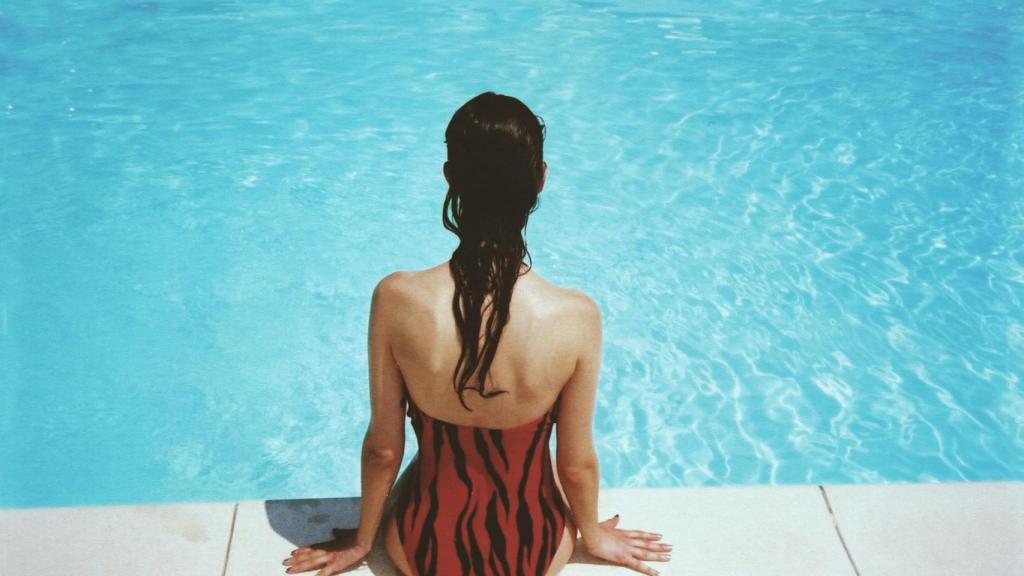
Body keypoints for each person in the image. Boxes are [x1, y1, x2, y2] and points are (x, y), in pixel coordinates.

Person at [283, 92, 672, 576]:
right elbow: (575, 466)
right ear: (540, 179)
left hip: (421, 547)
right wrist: (592, 535)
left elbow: (383, 450)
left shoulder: (397, 297)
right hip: (535, 550)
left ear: (450, 176)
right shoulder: (575, 315)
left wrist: (363, 542)